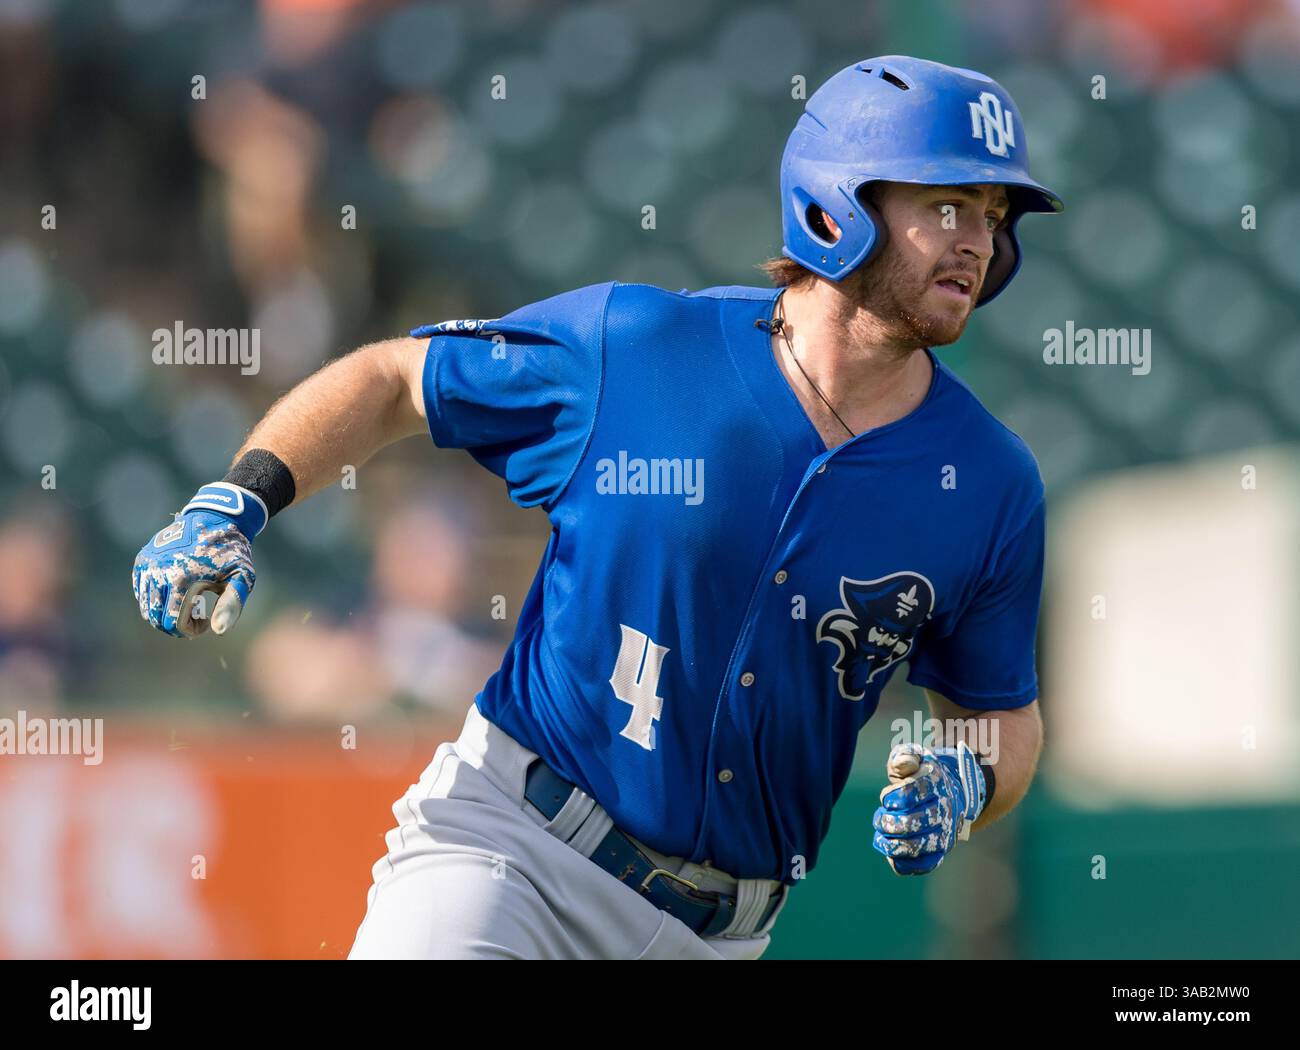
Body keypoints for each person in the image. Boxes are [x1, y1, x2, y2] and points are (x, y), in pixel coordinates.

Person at [133, 55, 1061, 960]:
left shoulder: (989, 482)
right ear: (836, 205)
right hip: (510, 855)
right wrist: (235, 500)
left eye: (991, 214)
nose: (978, 240)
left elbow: (1001, 716)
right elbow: (393, 381)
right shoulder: (637, 346)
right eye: (946, 205)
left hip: (727, 934)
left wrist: (969, 776)